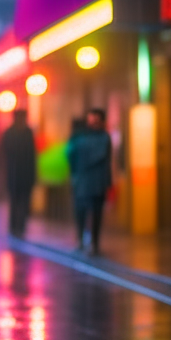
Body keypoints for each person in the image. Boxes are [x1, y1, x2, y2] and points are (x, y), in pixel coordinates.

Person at [67, 108, 113, 254]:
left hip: (89, 181)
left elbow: (70, 155)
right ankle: (87, 242)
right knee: (85, 213)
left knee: (91, 213)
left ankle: (89, 242)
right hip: (88, 181)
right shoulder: (101, 137)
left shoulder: (81, 137)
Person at [0, 110, 37, 239]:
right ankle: (14, 227)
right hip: (14, 173)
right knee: (15, 201)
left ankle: (20, 227)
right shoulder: (10, 133)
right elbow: (4, 154)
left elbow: (32, 155)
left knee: (24, 201)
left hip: (24, 173)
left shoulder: (27, 132)